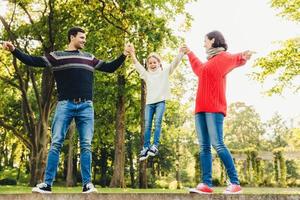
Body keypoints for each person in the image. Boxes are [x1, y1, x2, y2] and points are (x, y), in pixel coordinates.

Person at [2, 27, 131, 193]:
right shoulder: (57, 56)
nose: (84, 40)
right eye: (82, 37)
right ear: (72, 37)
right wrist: (14, 50)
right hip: (65, 105)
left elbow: (109, 67)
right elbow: (32, 60)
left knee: (86, 145)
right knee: (56, 143)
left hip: (86, 106)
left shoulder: (89, 58)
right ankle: (47, 184)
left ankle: (87, 184)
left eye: (85, 38)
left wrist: (124, 55)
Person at [185, 31, 254, 194]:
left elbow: (235, 58)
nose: (204, 44)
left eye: (205, 41)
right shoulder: (208, 63)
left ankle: (235, 183)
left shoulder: (222, 57)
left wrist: (244, 55)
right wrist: (189, 53)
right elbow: (199, 69)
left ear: (213, 40)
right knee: (204, 147)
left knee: (218, 144)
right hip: (200, 109)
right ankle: (206, 184)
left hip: (214, 109)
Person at [128, 44, 188, 161]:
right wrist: (132, 54)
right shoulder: (146, 74)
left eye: (154, 62)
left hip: (160, 102)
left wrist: (181, 53)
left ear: (159, 63)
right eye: (150, 63)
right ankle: (146, 148)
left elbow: (174, 64)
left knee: (158, 123)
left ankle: (154, 146)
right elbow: (137, 65)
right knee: (147, 125)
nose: (152, 65)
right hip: (149, 104)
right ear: (148, 65)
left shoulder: (164, 72)